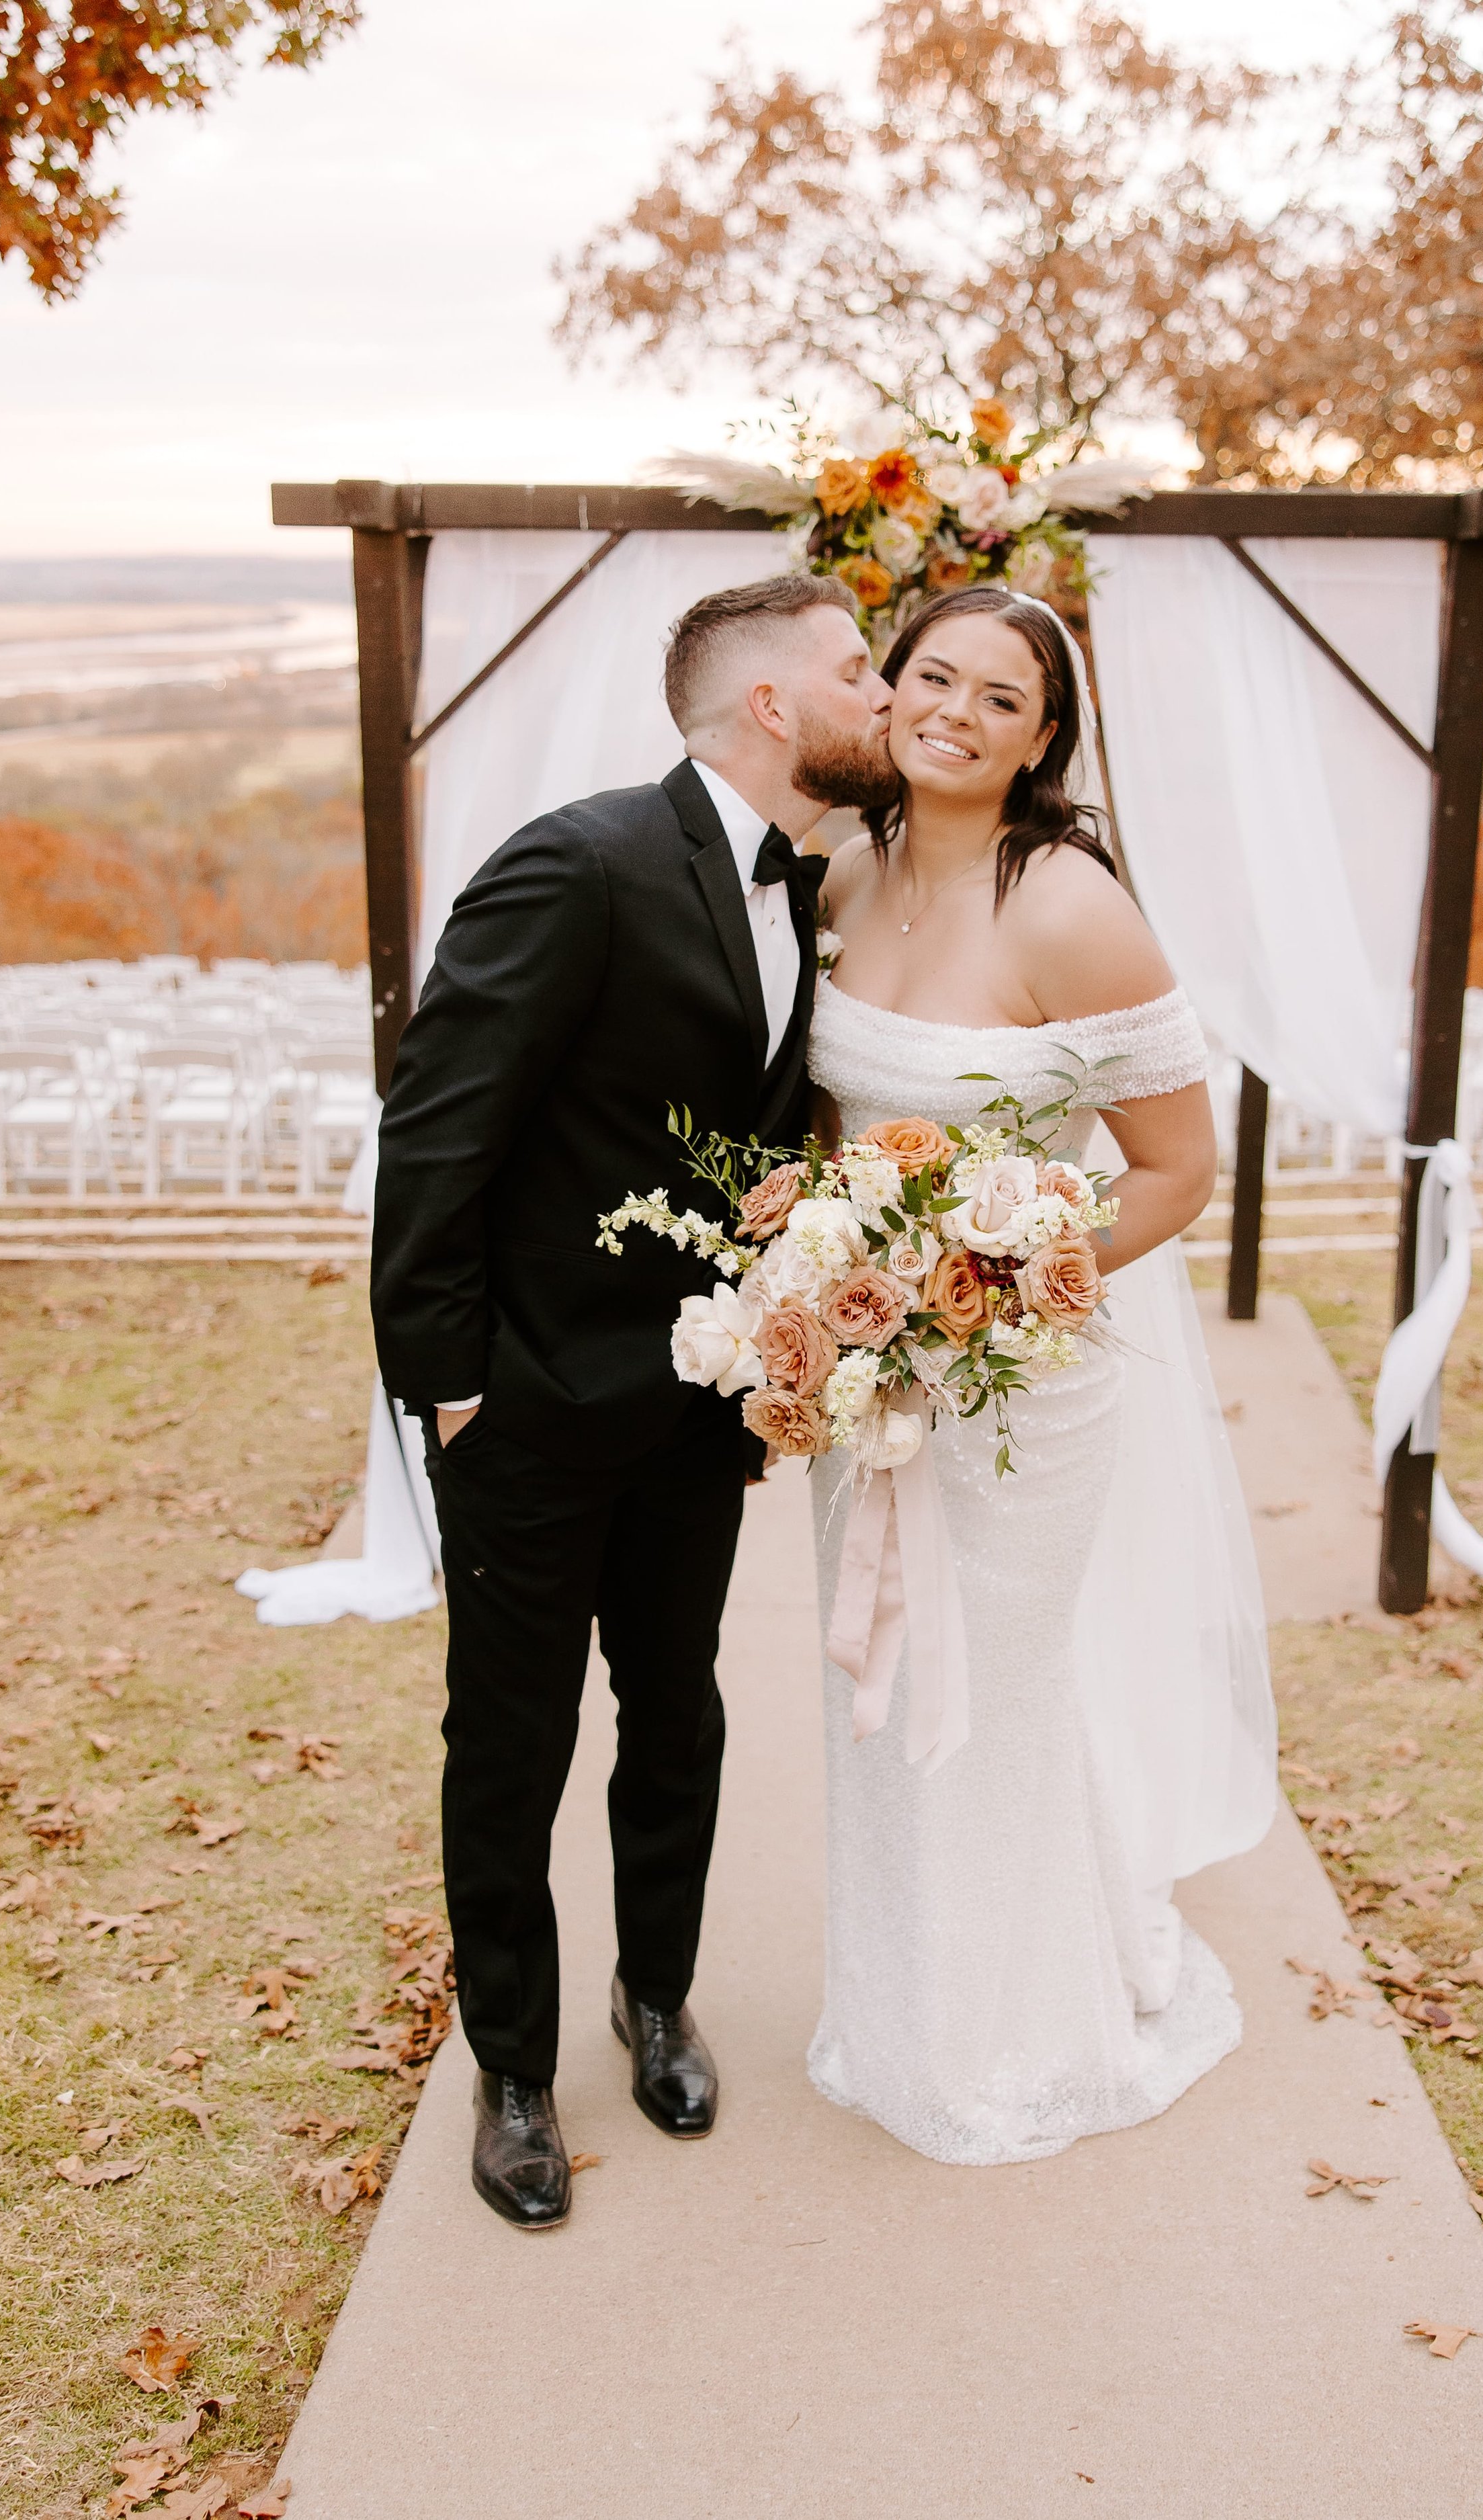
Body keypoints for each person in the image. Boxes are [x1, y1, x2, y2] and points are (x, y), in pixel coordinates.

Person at [370, 573, 896, 2228]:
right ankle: (513, 2068)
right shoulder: (577, 859)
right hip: (522, 1411)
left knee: (676, 1718)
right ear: (766, 705)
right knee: (509, 1743)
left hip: (695, 1416)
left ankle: (652, 1995)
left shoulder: (810, 893)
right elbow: (437, 1132)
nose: (879, 694)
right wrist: (450, 1388)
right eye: (855, 668)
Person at [806, 583, 1278, 2166]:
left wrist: (987, 1292)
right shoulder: (842, 868)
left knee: (979, 1694)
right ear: (885, 689)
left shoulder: (1070, 906)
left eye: (998, 697)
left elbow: (1172, 1171)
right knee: (869, 1686)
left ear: (1044, 738)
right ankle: (899, 2005)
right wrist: (832, 1301)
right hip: (862, 1378)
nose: (953, 710)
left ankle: (1008, 2029)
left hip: (1017, 1385)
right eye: (930, 675)